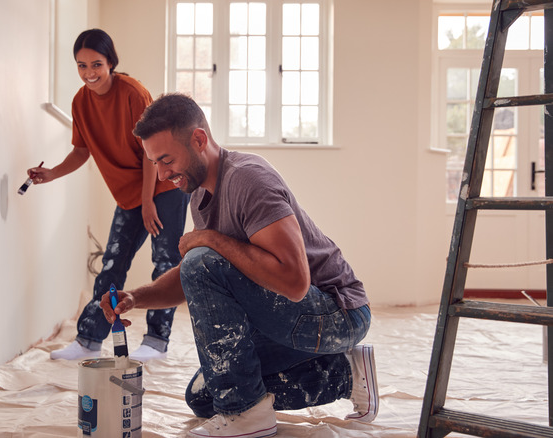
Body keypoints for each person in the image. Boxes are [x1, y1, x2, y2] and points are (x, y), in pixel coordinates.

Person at [100, 93, 378, 437]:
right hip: (297, 315)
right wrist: (136, 298)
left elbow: (294, 283)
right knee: (205, 396)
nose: (161, 173)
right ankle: (347, 374)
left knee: (203, 265)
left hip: (338, 313)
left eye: (166, 159)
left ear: (199, 139)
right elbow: (194, 276)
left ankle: (247, 415)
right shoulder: (200, 197)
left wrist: (211, 240)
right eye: (155, 162)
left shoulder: (249, 179)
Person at [28, 29, 189, 363]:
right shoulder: (79, 102)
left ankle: (156, 341)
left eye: (97, 64)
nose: (90, 72)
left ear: (111, 62)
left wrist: (148, 201)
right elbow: (81, 150)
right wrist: (51, 174)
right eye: (82, 65)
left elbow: (151, 152)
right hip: (131, 193)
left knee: (165, 263)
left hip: (165, 185)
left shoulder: (133, 93)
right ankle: (88, 339)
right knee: (112, 265)